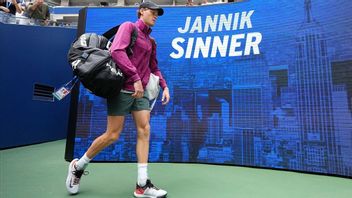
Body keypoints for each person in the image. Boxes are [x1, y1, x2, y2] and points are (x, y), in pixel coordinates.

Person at [65, 1, 170, 198]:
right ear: (141, 11)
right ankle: (78, 166)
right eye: (152, 11)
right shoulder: (128, 27)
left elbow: (153, 67)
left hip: (141, 92)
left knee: (144, 130)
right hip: (123, 88)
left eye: (158, 13)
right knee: (113, 135)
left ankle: (142, 185)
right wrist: (136, 78)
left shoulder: (151, 42)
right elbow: (117, 52)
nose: (155, 15)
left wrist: (164, 86)